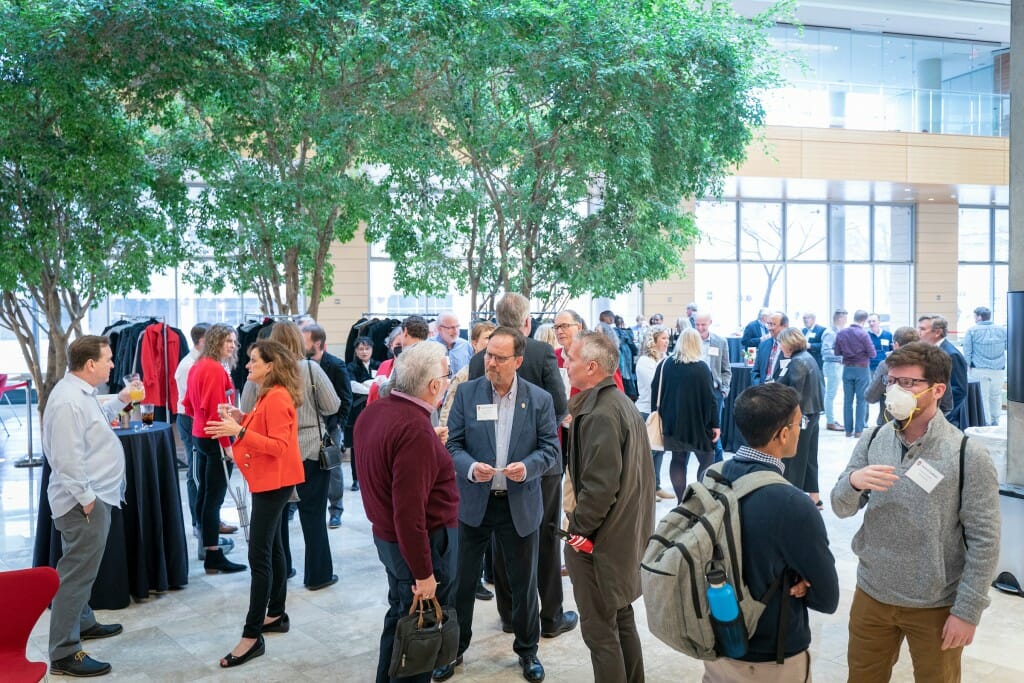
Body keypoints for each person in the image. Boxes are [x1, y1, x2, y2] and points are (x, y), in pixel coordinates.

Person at [830, 342, 1000, 683]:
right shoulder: (873, 438)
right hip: (872, 594)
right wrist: (854, 481)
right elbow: (840, 506)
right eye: (892, 381)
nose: (895, 390)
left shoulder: (968, 454)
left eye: (908, 383)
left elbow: (985, 541)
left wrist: (967, 611)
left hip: (935, 604)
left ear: (937, 390)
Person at [436, 326, 560, 682]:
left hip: (518, 505)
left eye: (498, 357)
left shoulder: (539, 400)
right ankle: (453, 650)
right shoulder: (468, 393)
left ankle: (527, 652)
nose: (489, 362)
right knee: (461, 584)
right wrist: (472, 469)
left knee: (524, 584)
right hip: (475, 502)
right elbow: (453, 445)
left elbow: (551, 450)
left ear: (517, 361)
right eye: (488, 354)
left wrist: (529, 467)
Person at [703, 383, 839, 682]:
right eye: (798, 423)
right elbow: (827, 598)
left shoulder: (712, 476)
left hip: (717, 638)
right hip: (772, 654)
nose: (801, 430)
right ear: (783, 434)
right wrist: (803, 582)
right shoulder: (792, 503)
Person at [468, 294, 577, 644]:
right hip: (538, 468)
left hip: (494, 466)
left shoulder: (477, 360)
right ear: (527, 322)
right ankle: (551, 617)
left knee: (502, 538)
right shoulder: (542, 353)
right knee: (544, 537)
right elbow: (561, 408)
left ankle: (510, 614)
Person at [355, 342, 459, 683]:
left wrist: (429, 444)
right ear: (432, 386)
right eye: (446, 376)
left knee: (401, 616)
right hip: (418, 544)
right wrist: (424, 573)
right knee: (419, 633)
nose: (447, 382)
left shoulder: (377, 411)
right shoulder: (414, 429)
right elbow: (409, 512)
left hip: (389, 540)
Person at [204, 340, 306, 668]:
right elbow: (264, 426)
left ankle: (252, 636)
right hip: (271, 480)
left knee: (258, 556)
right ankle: (276, 614)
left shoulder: (276, 397)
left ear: (270, 365)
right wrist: (241, 418)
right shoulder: (269, 394)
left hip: (274, 481)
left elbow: (278, 445)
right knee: (273, 548)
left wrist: (238, 430)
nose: (247, 365)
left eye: (253, 361)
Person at [562, 330, 654, 683]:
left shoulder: (601, 413)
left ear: (592, 367)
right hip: (621, 538)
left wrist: (577, 531)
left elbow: (600, 490)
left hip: (600, 544)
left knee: (601, 634)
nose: (566, 364)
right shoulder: (619, 403)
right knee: (621, 618)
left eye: (571, 359)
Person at [43, 336, 137, 677]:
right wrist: (86, 499)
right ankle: (65, 652)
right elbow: (68, 460)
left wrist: (122, 401)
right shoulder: (69, 401)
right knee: (76, 574)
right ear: (90, 365)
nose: (113, 364)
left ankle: (81, 622)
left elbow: (96, 421)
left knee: (82, 570)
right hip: (83, 501)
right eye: (108, 359)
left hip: (94, 497)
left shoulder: (81, 394)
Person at [241, 321, 341, 590]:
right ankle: (318, 575)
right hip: (310, 449)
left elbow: (245, 408)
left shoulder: (263, 373)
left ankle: (281, 571)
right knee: (314, 514)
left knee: (277, 516)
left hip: (274, 452)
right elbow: (333, 405)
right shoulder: (310, 369)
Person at [183, 323, 247, 574]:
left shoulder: (199, 365)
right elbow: (216, 411)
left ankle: (208, 548)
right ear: (215, 342)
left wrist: (200, 426)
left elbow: (188, 404)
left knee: (206, 496)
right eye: (227, 341)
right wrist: (227, 445)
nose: (231, 345)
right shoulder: (212, 369)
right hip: (215, 438)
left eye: (233, 341)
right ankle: (212, 554)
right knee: (213, 499)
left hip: (203, 435)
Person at [651, 328, 720, 502]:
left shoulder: (665, 364)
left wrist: (660, 414)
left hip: (673, 422)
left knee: (678, 459)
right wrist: (716, 424)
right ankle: (700, 498)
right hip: (698, 424)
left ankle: (682, 502)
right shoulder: (702, 368)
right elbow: (711, 399)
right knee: (707, 459)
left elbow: (654, 390)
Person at [302, 324, 352, 529]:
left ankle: (336, 510)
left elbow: (346, 399)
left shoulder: (336, 365)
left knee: (333, 469)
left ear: (317, 343)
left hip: (330, 428)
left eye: (304, 340)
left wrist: (338, 424)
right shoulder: (302, 364)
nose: (300, 344)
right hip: (308, 427)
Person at [774, 328, 825, 507]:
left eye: (781, 343)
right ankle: (814, 497)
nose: (779, 347)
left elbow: (793, 393)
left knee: (794, 458)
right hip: (813, 413)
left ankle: (792, 501)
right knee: (810, 456)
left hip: (802, 415)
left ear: (788, 343)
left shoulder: (797, 362)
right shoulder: (807, 357)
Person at [865, 326, 948, 427]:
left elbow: (870, 397)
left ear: (896, 345)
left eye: (907, 382)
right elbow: (947, 403)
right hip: (928, 427)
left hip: (891, 425)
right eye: (891, 381)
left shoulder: (886, 366)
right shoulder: (935, 363)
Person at [173, 323, 211, 538]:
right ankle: (198, 522)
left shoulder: (201, 362)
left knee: (203, 470)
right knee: (195, 471)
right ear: (202, 341)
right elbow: (192, 401)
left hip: (198, 420)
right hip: (190, 420)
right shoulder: (189, 365)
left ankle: (207, 517)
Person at [635, 324, 673, 501]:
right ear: (654, 340)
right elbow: (658, 385)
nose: (667, 342)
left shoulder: (666, 358)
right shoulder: (645, 361)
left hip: (662, 411)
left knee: (660, 451)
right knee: (648, 453)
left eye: (667, 338)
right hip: (646, 412)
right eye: (664, 338)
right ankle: (645, 489)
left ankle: (656, 486)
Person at [439, 321, 496, 427]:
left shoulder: (499, 372)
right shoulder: (464, 374)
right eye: (488, 338)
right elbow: (447, 412)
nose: (492, 342)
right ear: (475, 344)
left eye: (495, 338)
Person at [917, 315, 969, 430]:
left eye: (923, 329)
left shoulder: (951, 354)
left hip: (947, 417)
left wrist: (941, 413)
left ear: (937, 333)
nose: (918, 332)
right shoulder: (932, 350)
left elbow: (959, 390)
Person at [694, 312, 731, 464]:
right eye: (697, 324)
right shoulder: (689, 341)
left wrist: (724, 390)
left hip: (714, 393)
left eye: (703, 324)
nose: (700, 328)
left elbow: (726, 369)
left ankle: (719, 468)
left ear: (710, 323)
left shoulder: (720, 342)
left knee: (714, 432)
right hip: (693, 393)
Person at [345, 336, 380, 492]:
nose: (364, 352)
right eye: (360, 349)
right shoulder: (351, 367)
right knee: (356, 445)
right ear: (356, 351)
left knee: (376, 444)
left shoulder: (378, 365)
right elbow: (352, 385)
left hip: (376, 409)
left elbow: (384, 382)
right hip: (357, 410)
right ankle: (356, 478)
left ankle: (374, 477)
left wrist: (369, 386)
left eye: (367, 348)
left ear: (372, 349)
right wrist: (371, 387)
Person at [834, 309, 876, 438]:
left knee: (847, 401)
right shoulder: (863, 334)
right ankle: (858, 431)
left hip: (847, 369)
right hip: (862, 369)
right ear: (864, 320)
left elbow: (836, 352)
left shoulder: (842, 333)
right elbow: (872, 354)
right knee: (861, 401)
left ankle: (848, 430)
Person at [962, 306, 1007, 426]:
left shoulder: (972, 330)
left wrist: (967, 365)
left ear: (979, 317)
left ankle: (986, 422)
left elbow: (967, 351)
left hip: (979, 368)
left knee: (983, 396)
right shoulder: (1002, 330)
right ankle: (995, 420)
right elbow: (1007, 347)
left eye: (975, 316)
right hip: (999, 369)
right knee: (996, 395)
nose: (974, 319)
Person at [821, 309, 847, 431]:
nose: (846, 321)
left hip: (836, 365)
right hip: (832, 365)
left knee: (832, 394)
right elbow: (825, 351)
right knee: (830, 395)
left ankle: (831, 419)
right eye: (845, 318)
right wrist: (842, 354)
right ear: (840, 319)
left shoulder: (837, 332)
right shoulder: (830, 333)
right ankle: (830, 422)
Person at [750, 312, 787, 386]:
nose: (769, 328)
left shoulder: (790, 346)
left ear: (784, 326)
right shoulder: (763, 345)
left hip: (781, 392)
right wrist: (759, 388)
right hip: (762, 391)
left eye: (773, 324)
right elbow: (755, 371)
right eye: (768, 324)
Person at [434, 311, 474, 376]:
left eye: (457, 326)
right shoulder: (429, 347)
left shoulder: (465, 346)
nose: (456, 331)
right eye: (451, 328)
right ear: (439, 329)